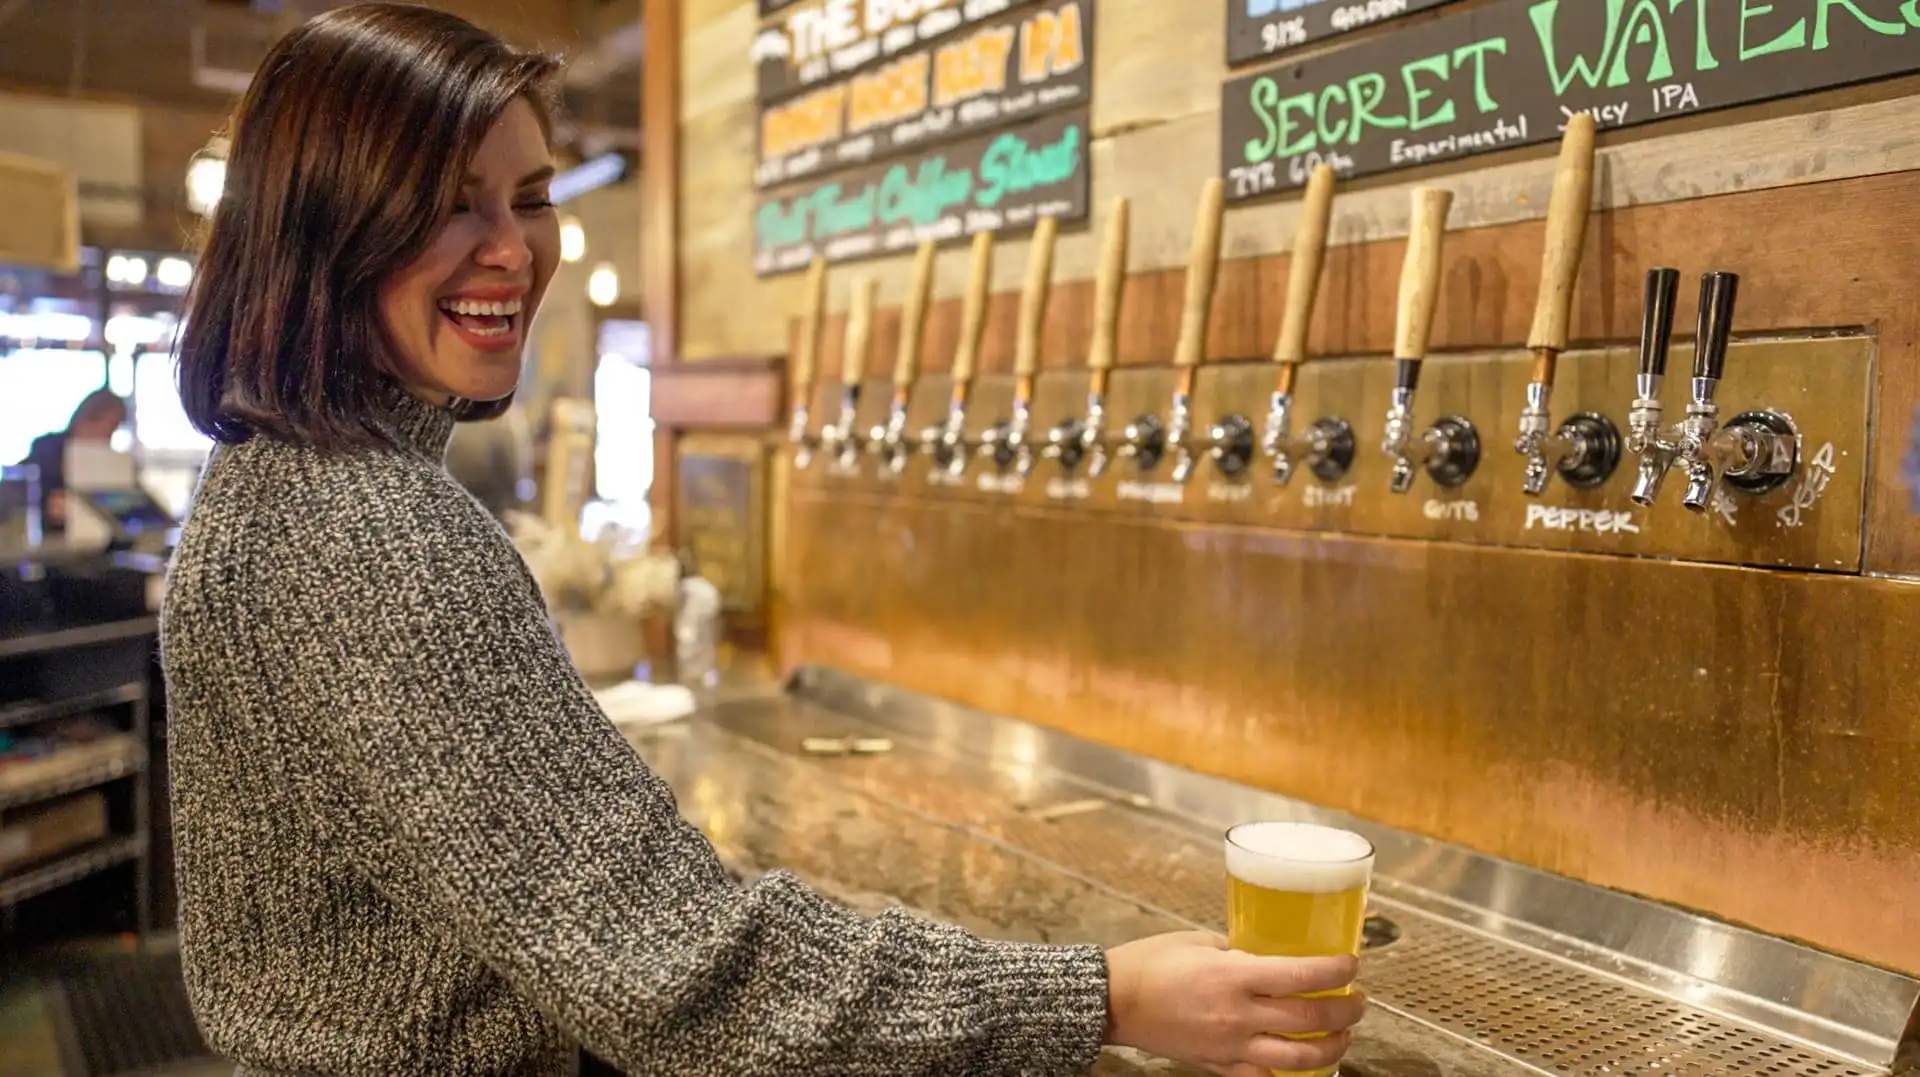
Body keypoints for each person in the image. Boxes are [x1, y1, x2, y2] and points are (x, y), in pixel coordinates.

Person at [160, 5, 1366, 1075]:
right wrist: (1109, 995)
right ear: (324, 224)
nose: (514, 250)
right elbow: (680, 981)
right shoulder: (372, 535)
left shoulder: (279, 486)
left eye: (531, 199)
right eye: (449, 203)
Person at [24, 389, 126, 534]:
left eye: (113, 429)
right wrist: (49, 505)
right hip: (48, 537)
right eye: (106, 425)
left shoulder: (112, 463)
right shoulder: (46, 448)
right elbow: (25, 496)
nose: (106, 435)